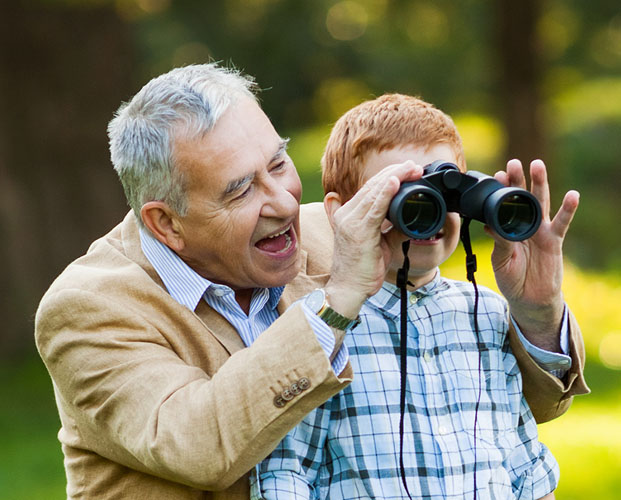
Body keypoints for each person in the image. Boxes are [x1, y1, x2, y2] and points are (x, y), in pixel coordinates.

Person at [34, 64, 586, 500]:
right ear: (166, 223)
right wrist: (336, 304)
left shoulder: (344, 230)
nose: (281, 203)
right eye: (239, 191)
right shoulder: (90, 308)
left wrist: (536, 313)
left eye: (277, 164)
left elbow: (479, 403)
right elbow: (200, 447)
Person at [253, 93, 589, 499]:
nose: (425, 216)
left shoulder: (487, 314)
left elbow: (525, 464)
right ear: (341, 211)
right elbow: (286, 474)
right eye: (403, 197)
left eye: (442, 196)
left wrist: (539, 308)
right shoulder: (323, 329)